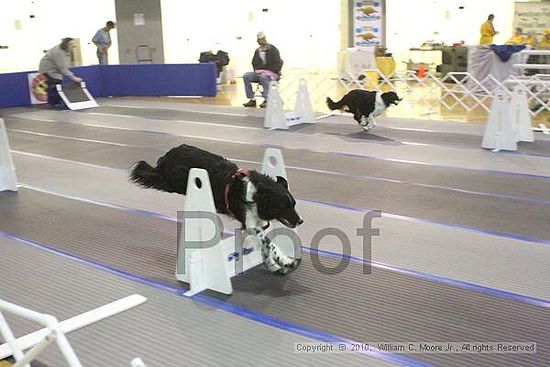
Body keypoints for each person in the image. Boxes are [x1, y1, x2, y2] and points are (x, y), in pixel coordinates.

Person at [242, 32, 283, 108]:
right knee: (246, 76)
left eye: (262, 39)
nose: (261, 41)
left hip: (273, 73)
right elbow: (254, 64)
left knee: (263, 77)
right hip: (260, 73)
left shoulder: (273, 49)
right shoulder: (257, 51)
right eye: (259, 40)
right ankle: (251, 98)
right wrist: (257, 70)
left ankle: (267, 99)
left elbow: (278, 64)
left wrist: (264, 70)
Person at [38, 37, 83, 108]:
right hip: (48, 69)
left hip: (54, 69)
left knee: (56, 82)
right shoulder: (59, 52)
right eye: (72, 44)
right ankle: (53, 103)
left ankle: (55, 102)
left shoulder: (65, 51)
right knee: (55, 82)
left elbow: (64, 65)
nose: (74, 46)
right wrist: (74, 78)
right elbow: (62, 68)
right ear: (67, 44)